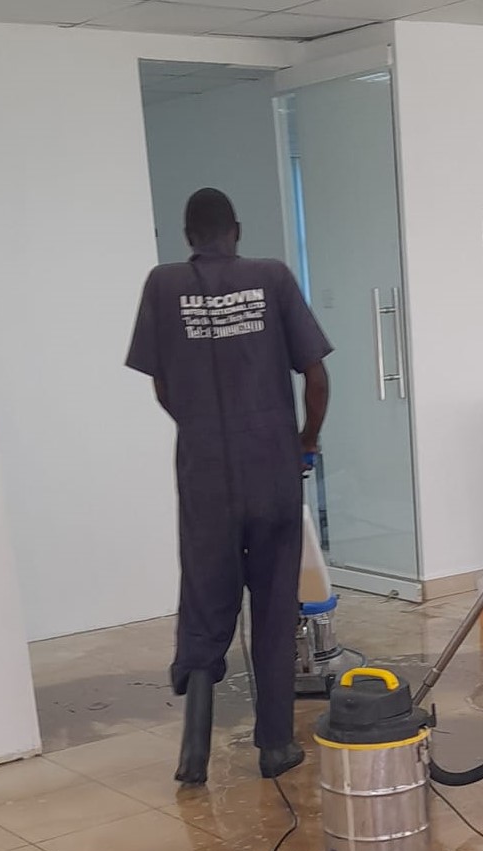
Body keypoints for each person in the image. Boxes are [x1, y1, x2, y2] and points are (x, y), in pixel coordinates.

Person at [126, 188, 331, 786]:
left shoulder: (162, 287)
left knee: (205, 596)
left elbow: (161, 384)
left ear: (188, 234)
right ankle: (274, 748)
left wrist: (200, 427)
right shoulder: (272, 278)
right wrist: (305, 439)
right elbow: (316, 376)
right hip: (272, 467)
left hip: (205, 473)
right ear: (235, 230)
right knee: (272, 608)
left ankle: (194, 750)